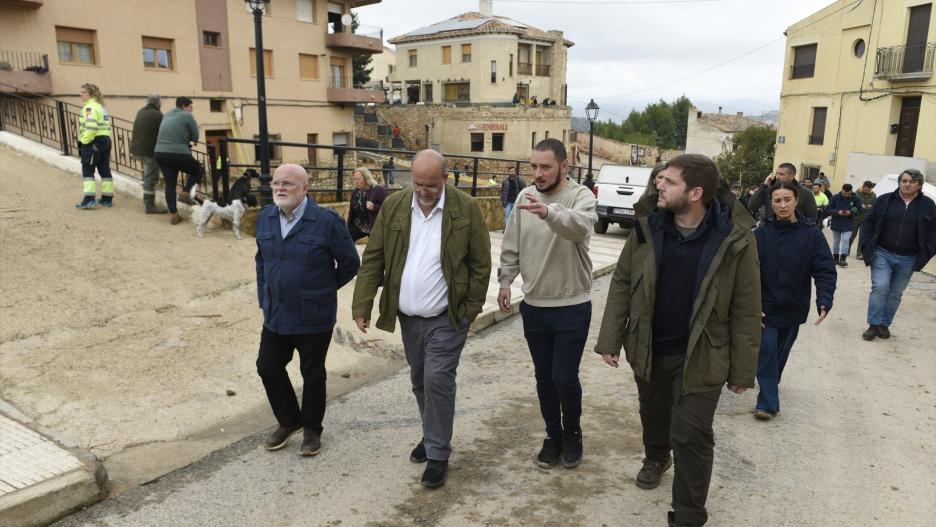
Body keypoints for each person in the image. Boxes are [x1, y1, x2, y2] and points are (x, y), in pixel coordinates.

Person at [595, 154, 760, 527]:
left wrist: (742, 370)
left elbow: (747, 307)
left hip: (704, 354)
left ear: (696, 192)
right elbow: (623, 281)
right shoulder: (647, 229)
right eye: (660, 180)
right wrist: (611, 338)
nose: (659, 185)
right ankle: (656, 456)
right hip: (650, 345)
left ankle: (688, 515)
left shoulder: (734, 240)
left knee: (691, 433)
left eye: (668, 181)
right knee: (653, 413)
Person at [352, 149, 491, 489]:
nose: (424, 190)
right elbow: (374, 256)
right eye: (417, 183)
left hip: (448, 316)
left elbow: (480, 265)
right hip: (409, 317)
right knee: (419, 379)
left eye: (431, 184)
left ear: (444, 178)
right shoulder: (397, 206)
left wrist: (469, 311)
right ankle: (433, 435)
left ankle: (438, 454)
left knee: (438, 379)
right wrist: (362, 304)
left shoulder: (466, 209)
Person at [497, 139, 598, 469]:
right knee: (544, 377)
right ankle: (553, 435)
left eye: (546, 167)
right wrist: (505, 282)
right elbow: (511, 245)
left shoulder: (580, 196)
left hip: (572, 304)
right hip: (535, 306)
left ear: (564, 167)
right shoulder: (525, 196)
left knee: (564, 377)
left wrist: (549, 212)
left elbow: (578, 227)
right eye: (534, 167)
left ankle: (573, 433)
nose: (537, 174)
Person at [254, 164, 360, 456]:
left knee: (312, 373)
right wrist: (265, 297)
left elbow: (350, 263)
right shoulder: (265, 218)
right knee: (267, 366)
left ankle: (312, 428)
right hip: (276, 313)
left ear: (305, 188)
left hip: (314, 315)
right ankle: (289, 421)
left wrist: (322, 290)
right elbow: (261, 261)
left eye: (287, 183)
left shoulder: (326, 221)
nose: (279, 188)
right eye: (276, 183)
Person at [753, 181, 836, 420]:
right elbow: (748, 273)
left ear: (796, 201)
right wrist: (752, 304)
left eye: (786, 199)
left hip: (794, 306)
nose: (782, 205)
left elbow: (824, 270)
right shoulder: (761, 234)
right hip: (765, 307)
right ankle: (767, 403)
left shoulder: (811, 234)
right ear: (771, 203)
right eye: (777, 200)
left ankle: (770, 384)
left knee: (779, 355)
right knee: (766, 353)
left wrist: (824, 300)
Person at [860, 169, 936, 341]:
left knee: (895, 293)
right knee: (880, 287)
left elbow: (933, 230)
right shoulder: (884, 200)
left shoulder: (928, 205)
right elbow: (869, 222)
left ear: (919, 185)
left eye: (912, 181)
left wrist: (927, 252)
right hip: (882, 253)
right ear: (899, 182)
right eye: (904, 180)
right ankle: (873, 324)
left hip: (909, 258)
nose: (907, 184)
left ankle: (884, 324)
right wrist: (866, 248)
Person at [154, 97, 203, 225]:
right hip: (178, 153)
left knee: (170, 185)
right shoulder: (187, 116)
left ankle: (174, 214)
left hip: (160, 153)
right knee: (198, 170)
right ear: (183, 106)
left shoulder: (167, 114)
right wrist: (192, 139)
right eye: (190, 107)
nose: (191, 110)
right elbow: (195, 136)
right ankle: (185, 193)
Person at [75, 83, 113, 209]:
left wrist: (84, 141)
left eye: (84, 92)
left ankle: (89, 199)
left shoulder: (89, 108)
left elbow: (91, 127)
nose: (81, 94)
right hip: (105, 140)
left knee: (87, 168)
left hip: (93, 141)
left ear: (91, 94)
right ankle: (107, 199)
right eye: (81, 92)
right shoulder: (101, 107)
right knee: (104, 169)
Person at [130, 93, 166, 214]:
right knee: (151, 177)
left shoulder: (141, 111)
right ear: (158, 103)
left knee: (147, 175)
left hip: (136, 150)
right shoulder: (158, 114)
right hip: (148, 151)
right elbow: (164, 131)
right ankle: (149, 206)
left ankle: (146, 198)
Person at [747, 163, 817, 222]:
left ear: (792, 176)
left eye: (781, 174)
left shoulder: (805, 193)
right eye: (776, 173)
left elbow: (811, 218)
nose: (777, 177)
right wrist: (764, 185)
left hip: (794, 233)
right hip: (771, 231)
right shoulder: (769, 189)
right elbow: (752, 206)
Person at [347, 167, 387, 241]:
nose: (356, 182)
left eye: (358, 179)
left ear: (366, 179)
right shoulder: (355, 192)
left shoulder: (378, 190)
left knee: (373, 250)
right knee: (345, 240)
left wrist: (374, 207)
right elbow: (352, 210)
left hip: (373, 227)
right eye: (354, 179)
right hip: (359, 225)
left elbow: (388, 208)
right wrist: (348, 226)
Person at [827, 183, 862, 266]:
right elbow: (828, 209)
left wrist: (851, 213)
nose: (846, 195)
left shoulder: (856, 198)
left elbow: (859, 211)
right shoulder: (835, 197)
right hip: (836, 222)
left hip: (848, 223)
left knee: (846, 240)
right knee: (836, 241)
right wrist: (837, 212)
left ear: (851, 191)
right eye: (844, 193)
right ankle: (835, 258)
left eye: (848, 193)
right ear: (842, 190)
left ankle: (843, 259)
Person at [851, 180, 876, 260]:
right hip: (856, 218)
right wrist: (859, 206)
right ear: (863, 186)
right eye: (866, 190)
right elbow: (851, 206)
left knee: (862, 236)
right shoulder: (856, 194)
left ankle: (859, 253)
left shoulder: (873, 195)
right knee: (852, 235)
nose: (867, 191)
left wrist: (871, 206)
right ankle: (846, 250)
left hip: (866, 219)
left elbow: (876, 206)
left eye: (869, 190)